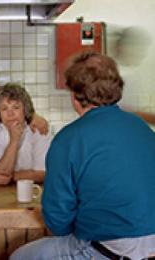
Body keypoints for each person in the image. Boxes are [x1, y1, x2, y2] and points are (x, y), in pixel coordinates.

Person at [10, 52, 155, 260]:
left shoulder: (68, 139)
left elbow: (57, 221)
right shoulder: (141, 127)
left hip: (110, 249)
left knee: (19, 257)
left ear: (74, 95)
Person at [0, 83, 52, 183]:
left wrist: (9, 176)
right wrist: (14, 141)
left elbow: (42, 174)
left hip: (35, 190)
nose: (10, 113)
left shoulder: (39, 130)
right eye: (4, 109)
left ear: (25, 109)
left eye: (16, 107)